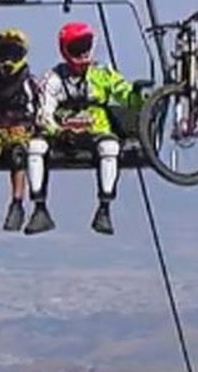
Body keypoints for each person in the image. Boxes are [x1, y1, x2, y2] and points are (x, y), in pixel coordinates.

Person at [24, 21, 145, 236]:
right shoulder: (53, 79)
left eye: (85, 47)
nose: (82, 54)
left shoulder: (102, 74)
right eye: (76, 49)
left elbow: (124, 95)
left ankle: (104, 209)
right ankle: (39, 208)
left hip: (96, 129)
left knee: (109, 148)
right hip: (64, 132)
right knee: (35, 146)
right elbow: (44, 112)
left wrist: (137, 94)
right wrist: (58, 132)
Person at [0, 28, 39, 232]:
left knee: (17, 153)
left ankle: (17, 203)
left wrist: (23, 127)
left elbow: (35, 110)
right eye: (4, 54)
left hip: (21, 130)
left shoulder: (29, 82)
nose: (8, 60)